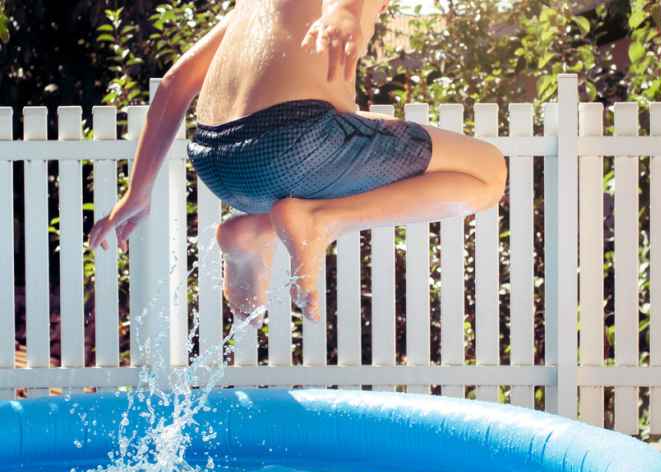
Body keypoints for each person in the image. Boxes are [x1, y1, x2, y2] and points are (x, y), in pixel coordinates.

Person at [87, 0, 508, 323]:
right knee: (489, 173)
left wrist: (137, 192)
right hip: (294, 142)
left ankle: (254, 230)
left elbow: (173, 86)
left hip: (219, 163)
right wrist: (345, 11)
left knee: (354, 126)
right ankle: (323, 221)